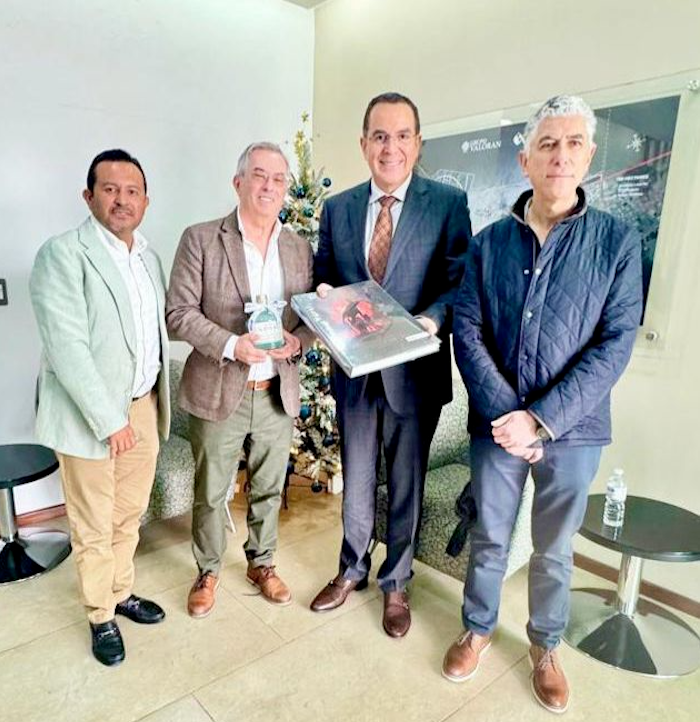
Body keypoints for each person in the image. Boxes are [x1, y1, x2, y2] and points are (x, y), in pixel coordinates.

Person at [445, 95, 643, 713]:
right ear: (525, 159)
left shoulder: (617, 242)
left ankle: (546, 645)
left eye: (573, 143)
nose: (560, 156)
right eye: (548, 144)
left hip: (574, 431)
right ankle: (477, 629)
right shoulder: (489, 243)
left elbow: (615, 343)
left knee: (554, 549)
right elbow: (467, 329)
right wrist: (509, 416)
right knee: (489, 537)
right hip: (496, 426)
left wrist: (542, 419)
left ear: (589, 155)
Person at [310, 92, 471, 638]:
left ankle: (396, 582)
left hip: (414, 374)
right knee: (356, 477)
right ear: (364, 144)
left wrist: (432, 319)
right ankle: (351, 569)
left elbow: (459, 283)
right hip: (356, 374)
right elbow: (323, 274)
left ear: (417, 143)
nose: (390, 147)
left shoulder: (447, 204)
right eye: (379, 136)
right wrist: (325, 295)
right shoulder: (339, 208)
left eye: (402, 136)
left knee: (406, 482)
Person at [30, 149, 171, 667]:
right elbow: (68, 349)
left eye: (132, 191)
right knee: (92, 522)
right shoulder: (62, 254)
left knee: (128, 513)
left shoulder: (149, 259)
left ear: (146, 201)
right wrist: (111, 422)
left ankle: (120, 590)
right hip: (92, 417)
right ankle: (100, 614)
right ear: (89, 196)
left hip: (143, 408)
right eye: (110, 189)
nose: (122, 200)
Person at [166, 142, 313, 618]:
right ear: (238, 182)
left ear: (286, 188)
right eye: (259, 175)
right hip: (219, 388)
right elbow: (177, 313)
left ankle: (261, 563)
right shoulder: (202, 239)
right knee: (212, 491)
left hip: (276, 392)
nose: (269, 186)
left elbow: (310, 316)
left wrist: (297, 341)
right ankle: (208, 570)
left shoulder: (298, 248)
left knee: (269, 487)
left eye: (278, 178)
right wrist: (232, 344)